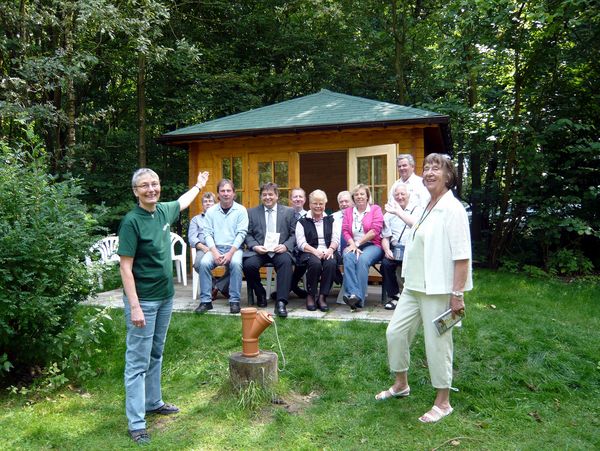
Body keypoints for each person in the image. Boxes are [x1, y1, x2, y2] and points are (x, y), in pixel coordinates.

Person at [375, 153, 472, 424]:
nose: (430, 172)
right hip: (413, 287)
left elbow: (462, 256)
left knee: (437, 344)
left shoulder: (453, 209)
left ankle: (443, 402)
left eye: (436, 168)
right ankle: (401, 384)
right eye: (427, 167)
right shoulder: (427, 205)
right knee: (395, 332)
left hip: (438, 289)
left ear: (448, 175)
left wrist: (457, 294)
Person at [118, 168, 209, 445]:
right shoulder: (131, 222)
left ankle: (153, 401)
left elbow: (182, 201)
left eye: (155, 184)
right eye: (144, 186)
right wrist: (134, 306)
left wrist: (199, 186)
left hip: (165, 297)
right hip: (143, 300)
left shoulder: (162, 212)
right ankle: (136, 422)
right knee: (137, 361)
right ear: (136, 192)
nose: (151, 189)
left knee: (156, 352)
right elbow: (125, 267)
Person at [243, 182, 296, 318]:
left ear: (277, 196)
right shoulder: (251, 212)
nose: (268, 197)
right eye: (264, 194)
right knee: (248, 265)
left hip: (280, 250)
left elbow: (295, 234)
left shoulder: (289, 212)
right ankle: (260, 293)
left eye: (271, 194)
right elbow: (247, 234)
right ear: (261, 196)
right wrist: (255, 246)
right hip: (260, 250)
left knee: (286, 263)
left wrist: (285, 246)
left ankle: (281, 302)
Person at [196, 179, 248, 314]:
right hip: (215, 248)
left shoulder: (241, 210)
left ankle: (234, 301)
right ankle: (206, 301)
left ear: (234, 193)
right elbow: (207, 233)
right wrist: (214, 252)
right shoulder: (211, 211)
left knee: (236, 264)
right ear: (218, 194)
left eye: (228, 191)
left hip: (234, 249)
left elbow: (241, 234)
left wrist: (230, 253)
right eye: (222, 191)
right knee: (204, 263)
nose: (225, 194)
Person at [295, 190, 340, 312]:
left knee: (331, 263)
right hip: (309, 251)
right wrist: (315, 252)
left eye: (321, 203)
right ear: (310, 204)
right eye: (315, 203)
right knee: (315, 263)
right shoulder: (302, 221)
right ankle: (311, 295)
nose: (318, 206)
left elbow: (336, 238)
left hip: (328, 250)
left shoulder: (331, 220)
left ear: (325, 205)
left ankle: (322, 297)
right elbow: (301, 243)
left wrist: (330, 250)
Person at [341, 184, 384, 309]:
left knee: (363, 260)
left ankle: (358, 300)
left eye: (362, 194)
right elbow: (345, 230)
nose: (359, 196)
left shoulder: (375, 209)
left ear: (367, 196)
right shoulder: (349, 211)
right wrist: (352, 244)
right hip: (353, 244)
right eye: (356, 194)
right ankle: (353, 295)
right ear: (353, 197)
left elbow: (375, 231)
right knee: (348, 256)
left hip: (373, 245)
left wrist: (357, 244)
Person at [380, 184, 421, 310]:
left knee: (412, 265)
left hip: (413, 249)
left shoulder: (417, 210)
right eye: (397, 194)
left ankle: (411, 298)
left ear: (408, 195)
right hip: (396, 249)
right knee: (386, 265)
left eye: (402, 194)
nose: (400, 197)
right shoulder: (388, 215)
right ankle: (395, 296)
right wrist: (387, 250)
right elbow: (385, 237)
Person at [188, 192, 230, 309]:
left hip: (221, 248)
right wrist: (204, 247)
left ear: (214, 203)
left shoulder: (221, 217)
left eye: (210, 201)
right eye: (205, 202)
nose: (208, 204)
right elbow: (192, 238)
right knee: (198, 264)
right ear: (202, 205)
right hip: (205, 248)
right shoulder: (196, 220)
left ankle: (218, 287)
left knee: (237, 263)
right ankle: (214, 286)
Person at [288, 187, 309, 298]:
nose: (298, 199)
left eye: (300, 196)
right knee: (282, 260)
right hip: (288, 247)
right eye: (295, 196)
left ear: (304, 199)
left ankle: (290, 286)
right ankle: (294, 287)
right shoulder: (285, 214)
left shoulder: (309, 215)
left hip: (303, 248)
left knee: (305, 259)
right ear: (291, 199)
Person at [332, 190, 354, 286]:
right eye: (341, 202)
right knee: (328, 262)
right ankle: (341, 281)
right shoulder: (333, 217)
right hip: (336, 250)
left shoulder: (357, 216)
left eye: (346, 201)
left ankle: (349, 285)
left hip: (353, 249)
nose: (344, 204)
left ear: (352, 202)